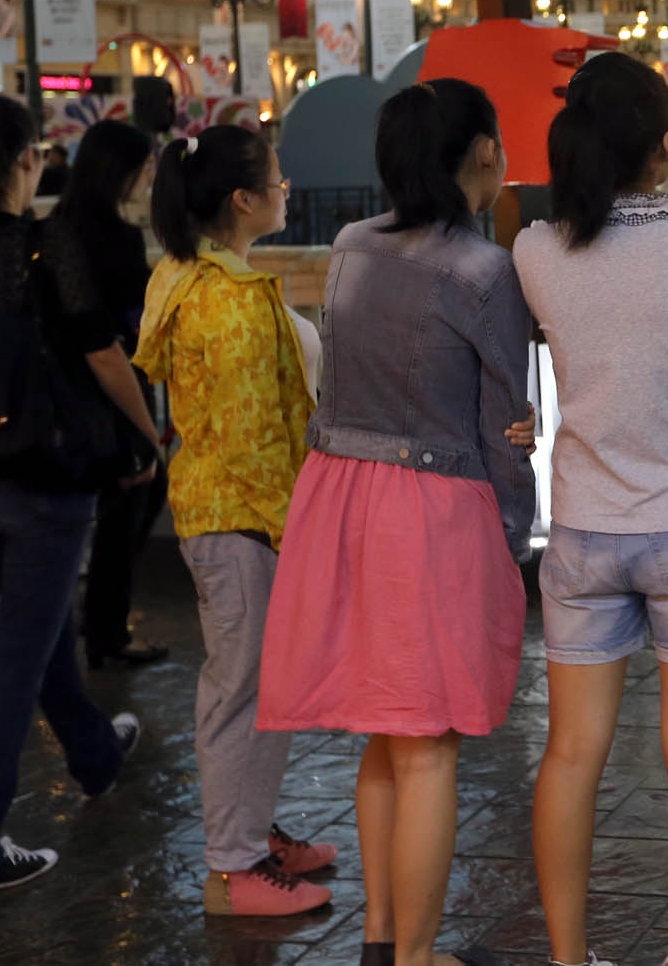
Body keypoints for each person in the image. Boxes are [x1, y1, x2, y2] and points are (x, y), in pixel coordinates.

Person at [259, 80, 537, 966]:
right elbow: (505, 427)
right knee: (429, 748)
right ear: (484, 153)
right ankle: (416, 957)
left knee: (389, 733)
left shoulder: (351, 245)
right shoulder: (485, 270)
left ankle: (383, 942)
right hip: (432, 514)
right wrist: (513, 535)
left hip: (341, 498)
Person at [519, 53, 668, 966]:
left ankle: (568, 959)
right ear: (665, 146)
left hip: (584, 527)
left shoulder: (536, 250)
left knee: (571, 755)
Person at [0, 96, 153, 896]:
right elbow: (103, 352)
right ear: (27, 161)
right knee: (15, 659)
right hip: (49, 478)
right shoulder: (49, 245)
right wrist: (147, 434)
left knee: (33, 627)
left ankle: (94, 751)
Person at [133, 125, 338, 917]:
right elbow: (256, 434)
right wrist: (299, 522)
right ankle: (232, 867)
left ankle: (251, 833)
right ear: (243, 200)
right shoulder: (228, 300)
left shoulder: (191, 275)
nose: (287, 191)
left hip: (232, 512)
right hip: (243, 515)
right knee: (239, 687)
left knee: (260, 683)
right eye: (277, 181)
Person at [53, 119, 172, 666]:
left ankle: (91, 625)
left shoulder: (56, 229)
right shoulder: (116, 239)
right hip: (116, 390)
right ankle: (105, 632)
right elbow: (128, 331)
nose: (149, 175)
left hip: (64, 393)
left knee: (100, 512)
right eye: (144, 165)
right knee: (133, 499)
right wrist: (148, 431)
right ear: (119, 171)